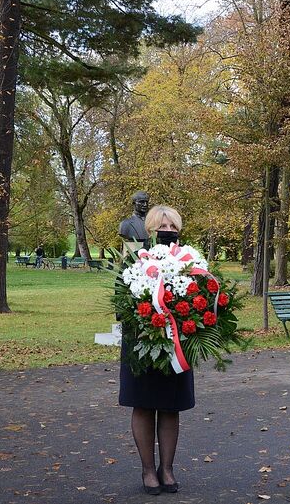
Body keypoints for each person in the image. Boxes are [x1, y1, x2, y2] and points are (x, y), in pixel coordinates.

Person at [119, 205, 193, 495]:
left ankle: (168, 469)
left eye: (173, 227)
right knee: (144, 403)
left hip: (175, 345)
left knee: (170, 405)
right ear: (149, 229)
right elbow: (120, 305)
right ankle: (148, 471)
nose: (168, 232)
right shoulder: (133, 260)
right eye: (162, 226)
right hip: (141, 342)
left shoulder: (189, 261)